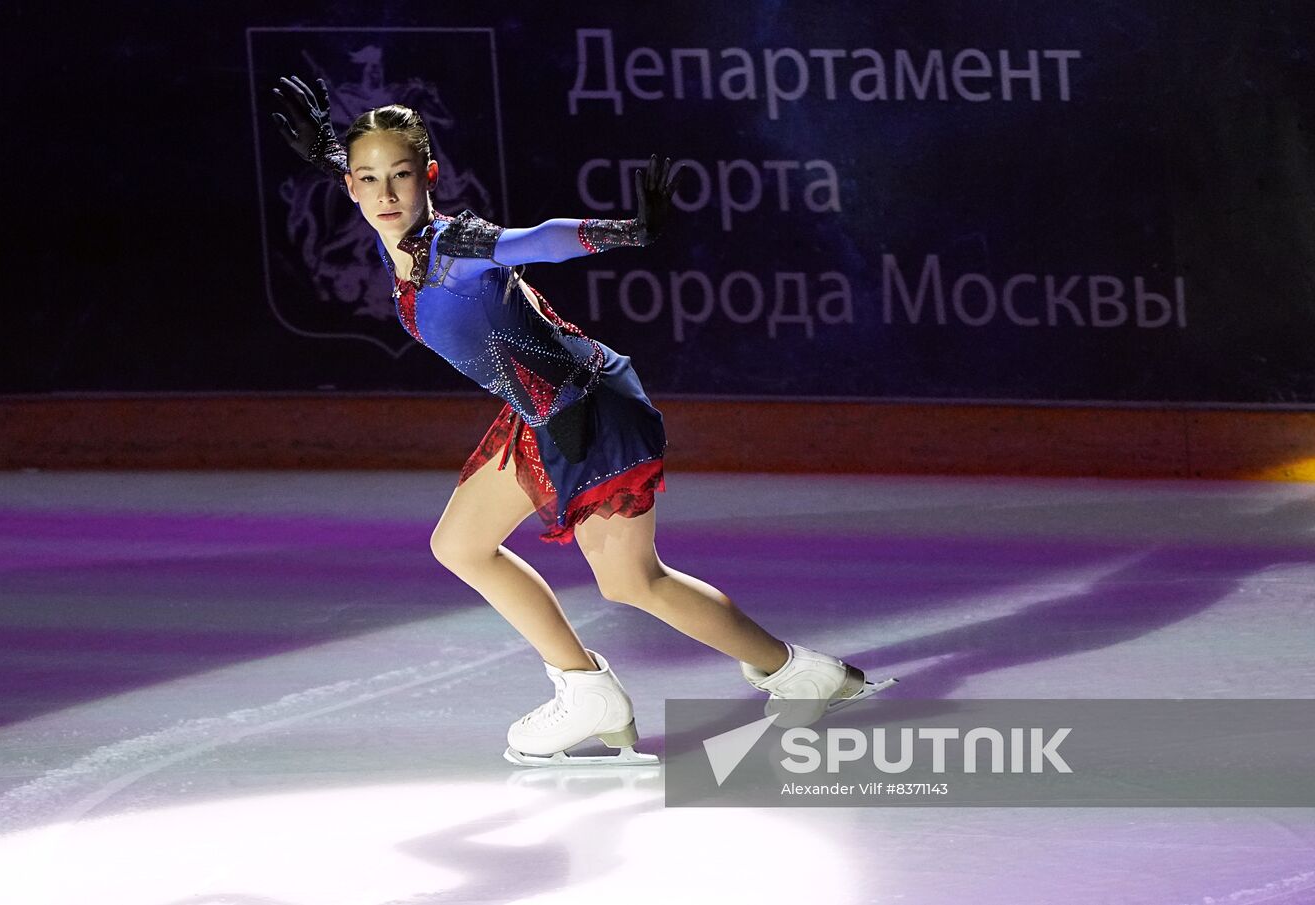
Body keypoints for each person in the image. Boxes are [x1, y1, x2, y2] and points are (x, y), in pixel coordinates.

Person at [269, 75, 896, 765]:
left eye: (401, 176)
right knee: (460, 543)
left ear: (431, 176)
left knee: (631, 581)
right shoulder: (397, 231)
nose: (385, 194)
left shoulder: (461, 248)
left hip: (588, 409)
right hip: (541, 413)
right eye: (367, 179)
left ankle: (798, 673)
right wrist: (331, 154)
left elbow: (538, 239)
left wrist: (627, 231)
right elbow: (374, 185)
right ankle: (584, 688)